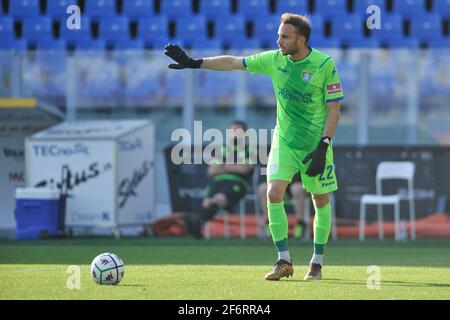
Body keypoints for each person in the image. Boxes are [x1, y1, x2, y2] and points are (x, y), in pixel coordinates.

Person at [165, 13, 343, 281]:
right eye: (279, 35)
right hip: (283, 142)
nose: (278, 40)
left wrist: (323, 145)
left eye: (285, 36)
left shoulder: (324, 64)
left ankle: (316, 262)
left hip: (316, 144)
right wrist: (195, 62)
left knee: (320, 200)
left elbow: (334, 110)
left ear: (301, 39)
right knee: (273, 193)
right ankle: (284, 260)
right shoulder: (274, 59)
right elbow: (235, 62)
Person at [184, 120, 254, 239]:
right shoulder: (222, 149)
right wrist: (233, 166)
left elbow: (244, 169)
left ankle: (199, 222)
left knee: (219, 198)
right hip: (217, 181)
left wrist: (223, 166)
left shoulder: (250, 149)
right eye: (232, 131)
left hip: (237, 182)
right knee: (208, 201)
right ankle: (200, 223)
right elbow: (212, 171)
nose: (234, 134)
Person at [258, 173, 307, 240]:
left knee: (296, 188)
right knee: (264, 188)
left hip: (294, 182)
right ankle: (268, 222)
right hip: (276, 182)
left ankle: (300, 224)